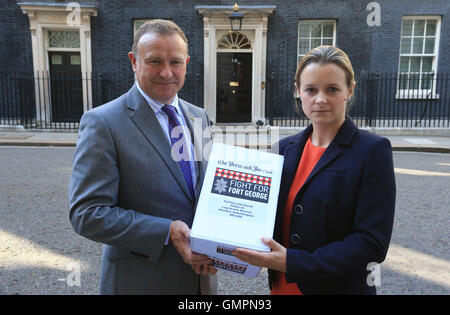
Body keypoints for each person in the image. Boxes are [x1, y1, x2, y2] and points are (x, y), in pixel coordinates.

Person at [69, 19, 217, 295]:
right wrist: (166, 231)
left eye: (175, 62)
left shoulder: (199, 116)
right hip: (141, 281)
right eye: (154, 61)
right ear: (134, 62)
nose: (166, 72)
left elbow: (204, 191)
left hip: (201, 280)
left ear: (186, 62)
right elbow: (86, 214)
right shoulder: (103, 122)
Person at [234, 45, 396, 295]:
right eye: (311, 89)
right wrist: (222, 248)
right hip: (282, 288)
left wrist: (292, 262)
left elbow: (371, 243)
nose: (320, 99)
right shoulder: (283, 149)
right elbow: (261, 217)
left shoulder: (372, 151)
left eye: (332, 89)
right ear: (298, 92)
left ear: (349, 91)